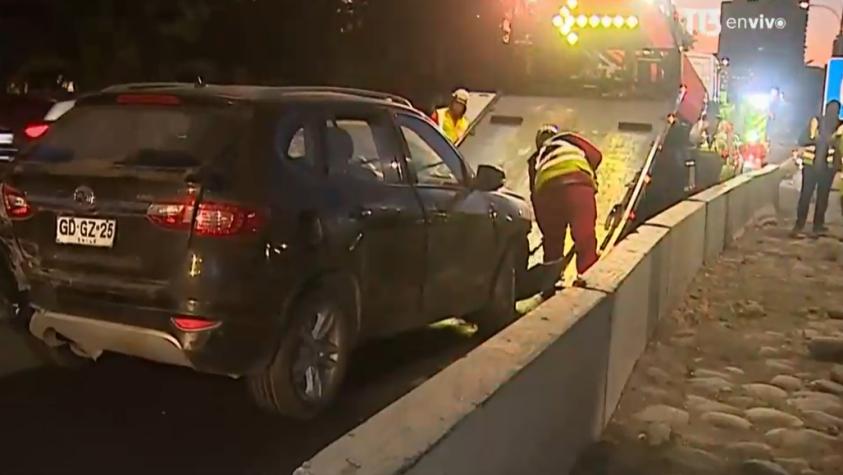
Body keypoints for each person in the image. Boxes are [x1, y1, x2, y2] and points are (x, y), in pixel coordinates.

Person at [528, 125, 602, 288]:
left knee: (553, 240)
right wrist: (591, 174)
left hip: (547, 190)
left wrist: (546, 229)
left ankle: (551, 281)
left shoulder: (536, 158)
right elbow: (597, 155)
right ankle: (587, 277)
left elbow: (535, 194)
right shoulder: (570, 141)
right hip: (577, 183)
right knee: (585, 235)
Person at [793, 102, 842, 236]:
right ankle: (803, 225)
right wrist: (832, 137)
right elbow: (808, 139)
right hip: (815, 165)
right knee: (810, 195)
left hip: (824, 167)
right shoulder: (818, 122)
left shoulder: (835, 125)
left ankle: (813, 225)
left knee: (818, 196)